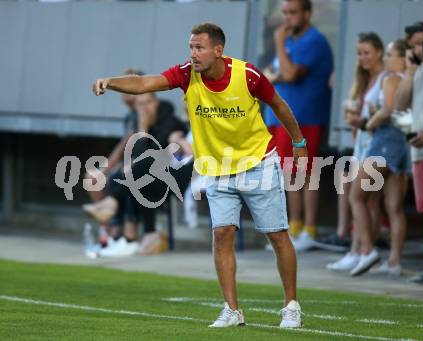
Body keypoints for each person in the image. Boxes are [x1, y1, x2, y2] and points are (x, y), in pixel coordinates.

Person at [91, 23, 307, 328]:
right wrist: (110, 81)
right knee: (221, 234)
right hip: (216, 169)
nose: (193, 54)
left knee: (277, 235)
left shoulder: (248, 75)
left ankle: (291, 306)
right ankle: (232, 311)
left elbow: (279, 106)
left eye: (199, 48)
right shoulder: (185, 74)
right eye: (191, 47)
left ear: (218, 50)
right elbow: (143, 84)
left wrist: (298, 142)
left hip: (258, 163)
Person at [263, 0, 333, 251]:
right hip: (282, 120)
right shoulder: (291, 41)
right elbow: (269, 73)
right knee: (289, 174)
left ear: (307, 13)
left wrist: (279, 44)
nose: (287, 18)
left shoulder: (314, 40)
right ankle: (294, 227)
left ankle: (309, 230)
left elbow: (289, 73)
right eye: (284, 13)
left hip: (305, 119)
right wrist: (279, 70)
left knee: (306, 174)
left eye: (292, 13)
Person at [85, 92, 191, 257]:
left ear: (156, 103)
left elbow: (146, 158)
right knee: (133, 177)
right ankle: (130, 235)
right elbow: (136, 155)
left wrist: (143, 128)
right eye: (140, 104)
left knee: (141, 169)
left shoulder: (171, 123)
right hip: (159, 176)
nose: (145, 107)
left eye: (148, 102)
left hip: (182, 175)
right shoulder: (137, 121)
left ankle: (125, 228)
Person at [327, 32, 385, 274]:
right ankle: (357, 249)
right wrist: (353, 119)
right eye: (359, 53)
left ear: (379, 52)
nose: (362, 58)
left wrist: (361, 119)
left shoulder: (386, 79)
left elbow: (386, 113)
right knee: (363, 198)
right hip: (362, 146)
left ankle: (366, 250)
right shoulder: (363, 80)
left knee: (361, 198)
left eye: (367, 52)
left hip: (377, 146)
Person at [395, 22, 423, 285]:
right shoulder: (419, 70)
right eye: (412, 44)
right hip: (420, 152)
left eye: (418, 43)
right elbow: (399, 106)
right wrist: (410, 73)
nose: (414, 49)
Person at [361, 39, 410, 277]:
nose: (387, 59)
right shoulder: (409, 81)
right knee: (394, 207)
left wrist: (370, 123)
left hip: (385, 141)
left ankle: (366, 250)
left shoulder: (392, 79)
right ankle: (394, 261)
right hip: (401, 144)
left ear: (402, 58)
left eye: (391, 55)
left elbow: (388, 109)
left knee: (355, 195)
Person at [84, 68, 142, 247]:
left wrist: (107, 169)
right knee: (93, 179)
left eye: (127, 84)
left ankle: (118, 230)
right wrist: (104, 170)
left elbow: (130, 143)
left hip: (144, 167)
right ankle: (108, 227)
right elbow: (124, 145)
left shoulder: (147, 111)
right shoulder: (129, 117)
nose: (123, 91)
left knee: (120, 176)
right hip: (128, 165)